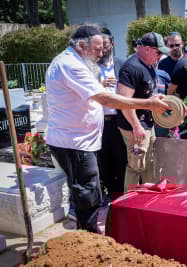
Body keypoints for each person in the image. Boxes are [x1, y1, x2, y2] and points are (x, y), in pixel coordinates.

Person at [45, 25, 169, 232]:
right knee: (87, 192)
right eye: (97, 48)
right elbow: (104, 98)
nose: (101, 53)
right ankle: (90, 236)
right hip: (74, 143)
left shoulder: (75, 62)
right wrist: (148, 104)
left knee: (89, 189)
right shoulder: (70, 65)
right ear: (81, 45)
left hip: (79, 140)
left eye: (103, 48)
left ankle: (88, 233)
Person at [117, 32, 170, 191]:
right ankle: (129, 205)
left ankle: (149, 199)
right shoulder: (131, 68)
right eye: (158, 52)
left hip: (147, 124)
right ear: (147, 49)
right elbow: (124, 102)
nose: (161, 56)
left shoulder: (149, 65)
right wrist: (136, 126)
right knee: (135, 166)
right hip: (135, 126)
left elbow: (146, 92)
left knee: (149, 163)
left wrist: (158, 98)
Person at [97, 27, 127, 202]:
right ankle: (110, 193)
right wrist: (99, 84)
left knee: (121, 158)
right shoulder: (90, 68)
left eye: (106, 46)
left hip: (119, 120)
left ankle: (122, 194)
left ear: (112, 44)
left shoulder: (121, 64)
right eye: (100, 47)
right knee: (104, 159)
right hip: (99, 123)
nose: (103, 50)